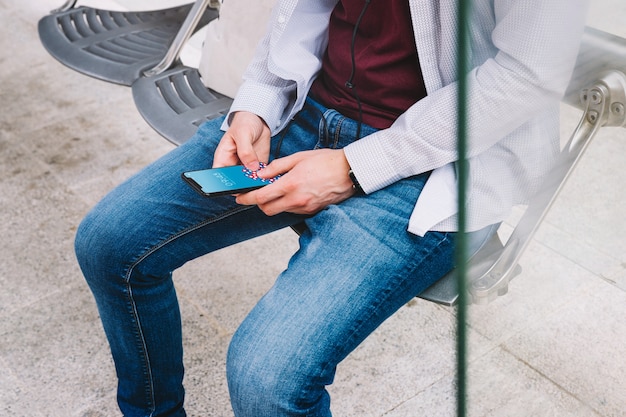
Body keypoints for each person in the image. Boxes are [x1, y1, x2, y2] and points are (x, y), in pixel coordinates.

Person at [74, 0, 589, 416]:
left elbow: (530, 71)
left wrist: (353, 167)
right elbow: (300, 13)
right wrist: (256, 104)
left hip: (438, 160)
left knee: (265, 379)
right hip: (306, 115)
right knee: (109, 242)